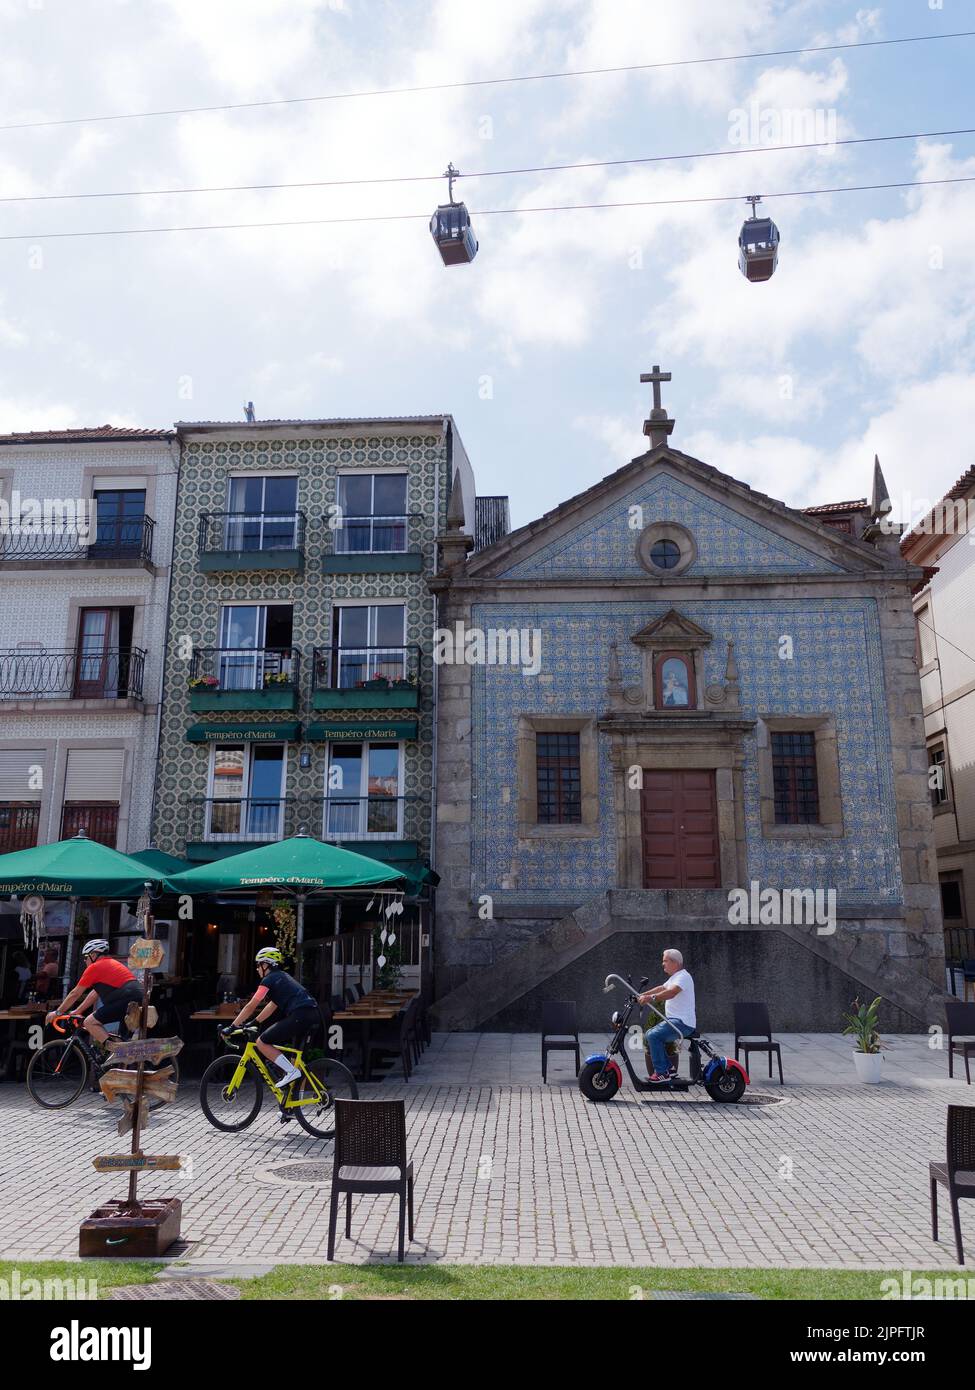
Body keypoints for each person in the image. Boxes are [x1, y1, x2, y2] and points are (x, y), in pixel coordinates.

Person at [225, 947, 319, 1088]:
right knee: (296, 1061)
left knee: (262, 1042)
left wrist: (232, 1026)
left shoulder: (268, 980)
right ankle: (292, 1106)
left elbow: (251, 1005)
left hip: (300, 1015)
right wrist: (255, 1021)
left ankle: (290, 1072)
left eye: (258, 965)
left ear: (265, 964)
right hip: (312, 1014)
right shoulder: (282, 977)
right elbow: (272, 1005)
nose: (257, 969)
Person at [45, 938, 142, 1047]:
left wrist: (57, 1013)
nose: (85, 961)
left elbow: (75, 993)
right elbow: (94, 994)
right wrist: (78, 1011)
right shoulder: (111, 963)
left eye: (86, 957)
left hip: (127, 1000)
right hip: (136, 998)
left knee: (89, 1022)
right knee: (123, 1041)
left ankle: (116, 1051)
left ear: (94, 954)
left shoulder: (95, 967)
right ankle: (121, 1058)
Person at [638, 948, 697, 1081]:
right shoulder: (675, 977)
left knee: (653, 1035)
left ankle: (662, 1072)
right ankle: (668, 1069)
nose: (662, 964)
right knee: (650, 1035)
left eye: (665, 961)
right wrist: (642, 995)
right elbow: (662, 988)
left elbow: (672, 992)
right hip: (676, 1021)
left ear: (675, 963)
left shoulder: (683, 977)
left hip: (682, 1023)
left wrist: (651, 998)